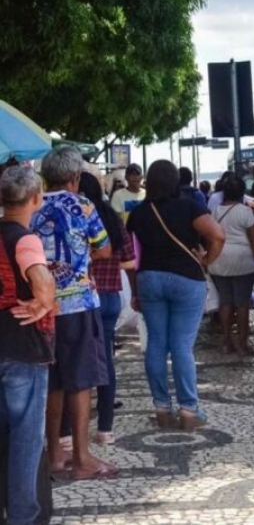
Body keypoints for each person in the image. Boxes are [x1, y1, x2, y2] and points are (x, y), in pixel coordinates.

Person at [29, 145, 116, 480]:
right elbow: (105, 248)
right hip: (78, 304)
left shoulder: (32, 204)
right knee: (80, 382)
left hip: (42, 307)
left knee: (52, 382)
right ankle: (81, 458)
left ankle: (54, 455)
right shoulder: (82, 204)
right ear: (76, 176)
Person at [126, 160, 225, 431]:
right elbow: (218, 236)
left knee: (156, 343)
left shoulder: (138, 214)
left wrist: (135, 291)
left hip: (149, 280)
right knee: (181, 345)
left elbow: (133, 258)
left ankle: (161, 408)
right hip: (185, 279)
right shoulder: (189, 206)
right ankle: (189, 411)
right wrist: (206, 261)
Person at [0, 166, 56, 522]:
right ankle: (23, 516)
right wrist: (43, 300)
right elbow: (41, 278)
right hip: (21, 346)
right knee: (25, 438)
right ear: (35, 199)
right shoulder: (25, 239)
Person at [78, 172, 135, 445]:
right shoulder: (111, 217)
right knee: (106, 360)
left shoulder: (76, 218)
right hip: (110, 297)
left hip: (82, 298)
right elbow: (129, 260)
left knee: (77, 360)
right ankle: (105, 429)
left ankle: (68, 434)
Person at [208, 176, 254, 357]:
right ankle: (242, 343)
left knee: (225, 302)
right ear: (241, 193)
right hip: (242, 261)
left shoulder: (215, 211)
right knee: (242, 304)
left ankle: (226, 341)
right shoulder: (245, 212)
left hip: (219, 260)